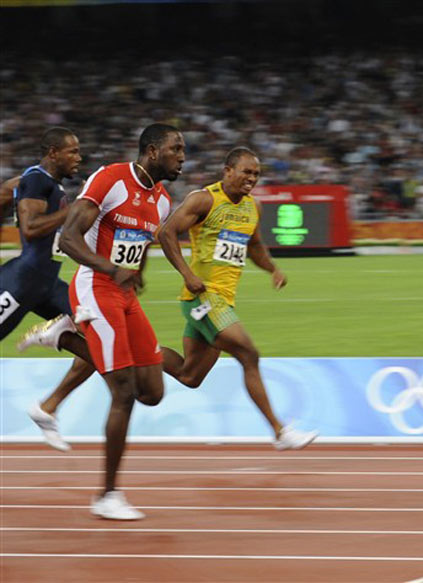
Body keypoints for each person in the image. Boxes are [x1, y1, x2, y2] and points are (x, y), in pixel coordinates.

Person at [57, 123, 183, 519]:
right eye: (176, 149)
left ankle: (66, 337)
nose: (182, 158)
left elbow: (138, 247)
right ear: (152, 151)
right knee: (124, 391)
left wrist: (136, 272)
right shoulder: (111, 179)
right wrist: (111, 269)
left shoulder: (163, 201)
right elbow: (68, 238)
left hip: (124, 295)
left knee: (152, 392)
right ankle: (107, 495)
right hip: (95, 287)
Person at [156, 147, 317, 450]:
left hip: (223, 301)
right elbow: (166, 233)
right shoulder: (203, 199)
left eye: (256, 174)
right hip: (202, 297)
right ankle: (280, 432)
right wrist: (187, 275)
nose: (252, 178)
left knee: (189, 375)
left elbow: (254, 246)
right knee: (249, 354)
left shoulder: (253, 207)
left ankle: (138, 351)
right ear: (228, 171)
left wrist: (272, 269)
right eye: (246, 172)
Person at [0, 129, 96, 451]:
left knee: (100, 346)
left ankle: (47, 408)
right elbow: (29, 228)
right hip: (21, 283)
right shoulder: (36, 179)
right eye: (73, 152)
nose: (78, 158)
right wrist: (75, 208)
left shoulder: (50, 185)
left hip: (47, 286)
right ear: (53, 152)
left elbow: (8, 191)